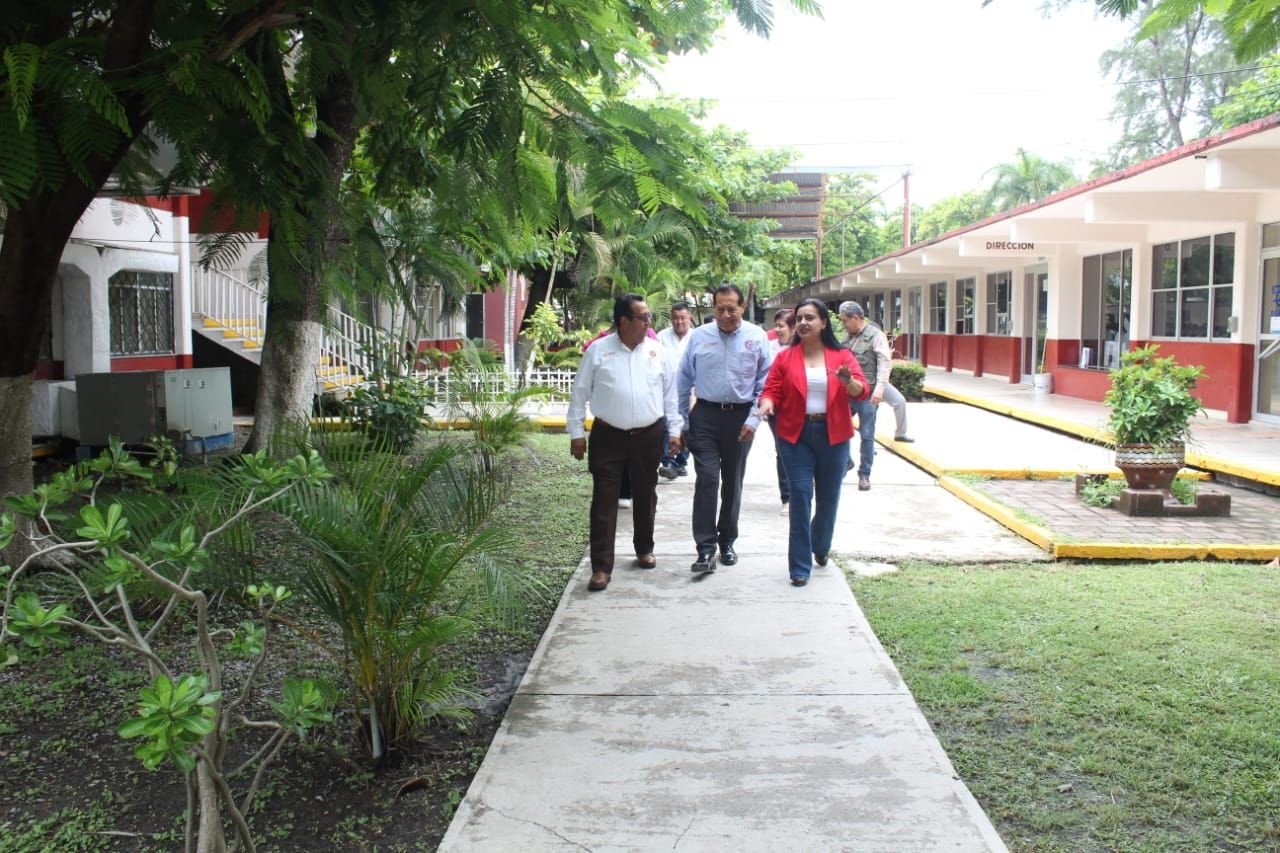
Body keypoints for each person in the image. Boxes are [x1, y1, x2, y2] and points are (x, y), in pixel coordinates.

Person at [568, 295, 683, 592]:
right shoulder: (598, 351)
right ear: (623, 321)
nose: (648, 322)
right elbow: (579, 393)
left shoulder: (657, 351)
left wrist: (675, 431)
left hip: (649, 434)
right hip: (608, 435)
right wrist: (576, 433)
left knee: (646, 494)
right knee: (604, 500)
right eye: (643, 317)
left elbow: (670, 395)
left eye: (648, 317)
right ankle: (601, 567)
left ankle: (644, 549)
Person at [756, 299, 868, 587]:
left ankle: (820, 544)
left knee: (828, 499)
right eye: (799, 318)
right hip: (796, 436)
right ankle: (799, 566)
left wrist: (847, 381)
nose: (803, 323)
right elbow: (771, 389)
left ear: (823, 323)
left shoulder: (841, 355)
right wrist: (767, 403)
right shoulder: (786, 357)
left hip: (833, 434)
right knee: (801, 495)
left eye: (809, 318)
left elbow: (861, 391)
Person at [677, 283, 771, 574]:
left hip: (740, 418)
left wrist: (754, 420)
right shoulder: (699, 336)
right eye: (720, 309)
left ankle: (727, 541)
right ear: (713, 308)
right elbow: (683, 379)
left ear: (742, 307)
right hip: (705, 415)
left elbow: (765, 383)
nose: (726, 315)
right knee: (707, 478)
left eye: (732, 309)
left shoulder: (756, 337)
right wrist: (681, 421)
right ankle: (705, 548)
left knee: (733, 481)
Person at [838, 301, 893, 491]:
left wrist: (879, 390)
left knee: (867, 434)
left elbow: (885, 362)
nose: (844, 324)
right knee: (838, 428)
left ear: (855, 318)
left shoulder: (875, 336)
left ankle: (864, 474)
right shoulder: (847, 338)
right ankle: (846, 461)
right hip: (848, 394)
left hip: (868, 395)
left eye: (845, 320)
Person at [657, 302, 694, 479]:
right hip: (667, 389)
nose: (679, 322)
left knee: (687, 427)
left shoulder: (697, 337)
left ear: (689, 318)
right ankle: (668, 462)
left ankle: (681, 462)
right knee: (668, 425)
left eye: (682, 318)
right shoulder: (661, 337)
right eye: (675, 318)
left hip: (691, 390)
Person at [768, 308, 797, 516]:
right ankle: (787, 498)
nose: (777, 329)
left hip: (800, 409)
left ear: (793, 328)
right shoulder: (769, 348)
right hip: (777, 409)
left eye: (781, 325)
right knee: (783, 451)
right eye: (776, 325)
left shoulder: (804, 348)